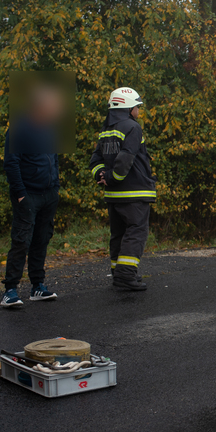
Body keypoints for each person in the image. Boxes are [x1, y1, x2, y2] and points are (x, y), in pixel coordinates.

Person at [1, 84, 62, 308]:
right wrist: (20, 195)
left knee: (41, 239)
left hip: (48, 194)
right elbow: (11, 163)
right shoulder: (19, 128)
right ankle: (10, 290)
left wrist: (56, 186)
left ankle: (38, 286)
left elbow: (54, 159)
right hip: (27, 195)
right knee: (21, 240)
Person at [89, 87, 156, 291]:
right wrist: (112, 178)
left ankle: (119, 274)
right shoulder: (132, 127)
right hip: (133, 192)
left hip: (114, 196)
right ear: (128, 108)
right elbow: (126, 158)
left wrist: (101, 177)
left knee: (118, 234)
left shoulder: (106, 129)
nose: (138, 111)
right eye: (136, 107)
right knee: (136, 232)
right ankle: (126, 276)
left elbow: (95, 160)